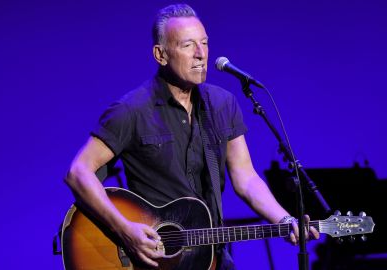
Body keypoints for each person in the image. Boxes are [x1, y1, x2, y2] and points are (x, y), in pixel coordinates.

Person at [64, 3, 319, 269]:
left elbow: (245, 178)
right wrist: (125, 229)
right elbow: (78, 172)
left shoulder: (222, 104)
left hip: (211, 258)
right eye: (188, 45)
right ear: (161, 55)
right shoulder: (132, 110)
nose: (201, 54)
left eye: (205, 43)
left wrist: (284, 219)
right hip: (153, 260)